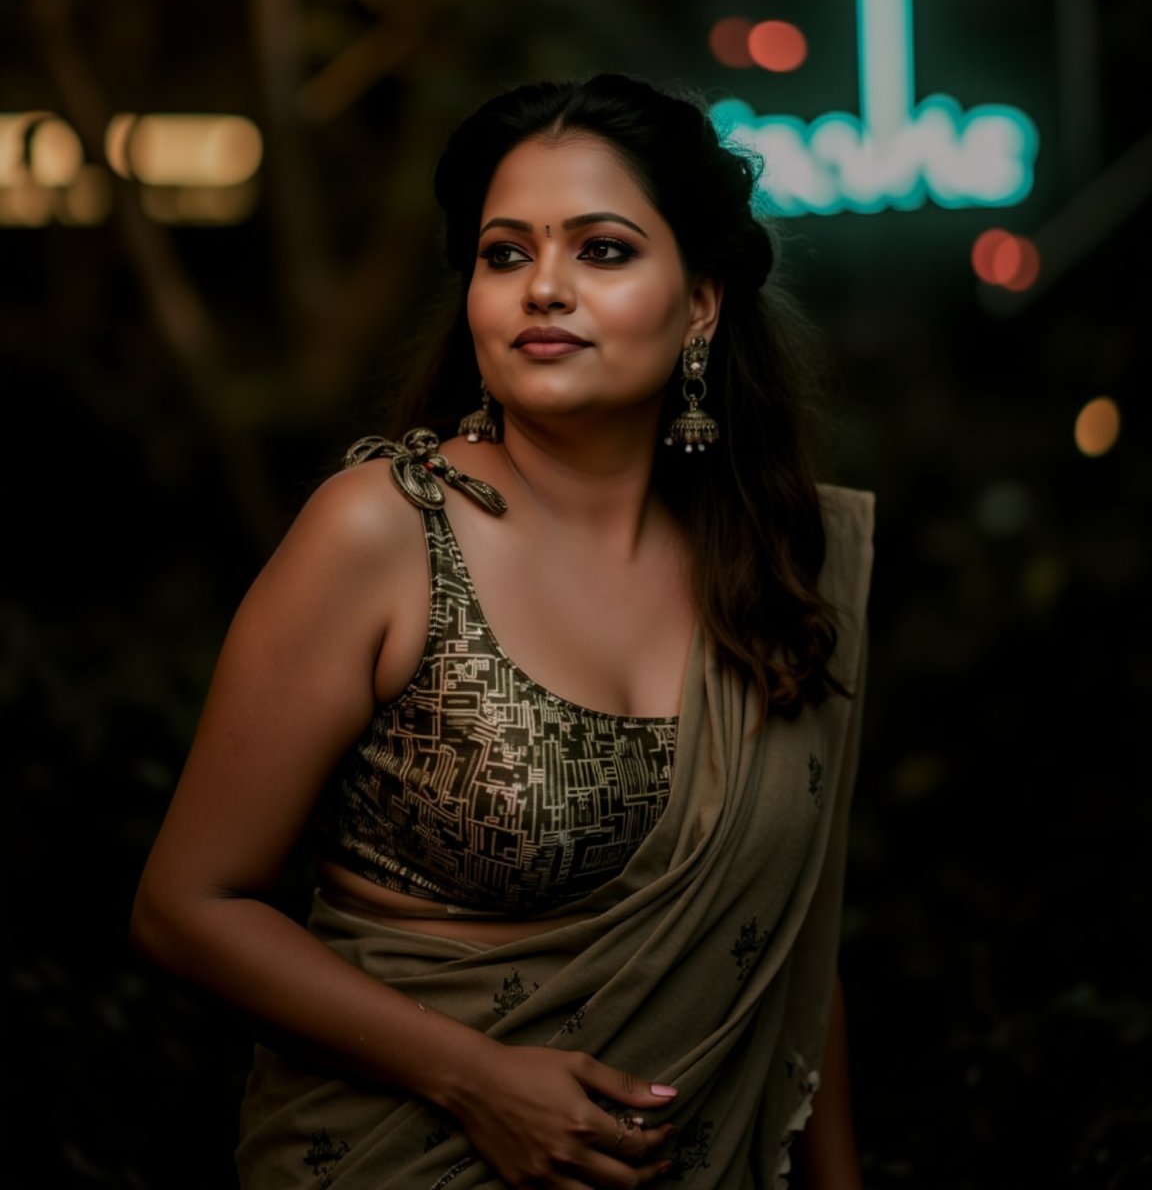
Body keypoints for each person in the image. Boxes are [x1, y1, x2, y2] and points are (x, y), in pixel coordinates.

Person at [131, 72, 874, 1190]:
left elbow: (785, 932)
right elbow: (187, 909)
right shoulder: (383, 532)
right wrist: (473, 1076)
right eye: (506, 253)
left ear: (702, 302)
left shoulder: (774, 563)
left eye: (604, 250)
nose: (545, 289)